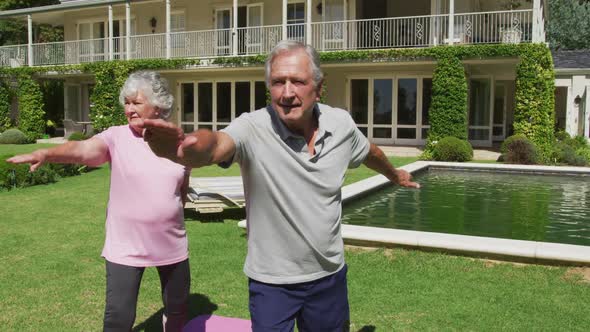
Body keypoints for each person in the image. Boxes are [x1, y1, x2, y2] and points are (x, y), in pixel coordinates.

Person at [142, 40, 419, 331]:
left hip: (328, 277)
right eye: (278, 82)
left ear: (318, 87)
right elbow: (215, 146)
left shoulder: (341, 125)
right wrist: (184, 149)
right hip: (272, 284)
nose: (287, 93)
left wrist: (394, 175)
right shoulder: (252, 127)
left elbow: (369, 152)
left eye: (297, 81)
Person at [7, 71, 191, 332]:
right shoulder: (116, 137)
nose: (129, 109)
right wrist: (48, 152)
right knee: (119, 318)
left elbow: (182, 188)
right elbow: (82, 150)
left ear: (158, 105)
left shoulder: (177, 141)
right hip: (126, 245)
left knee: (177, 309)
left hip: (171, 243)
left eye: (136, 103)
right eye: (126, 103)